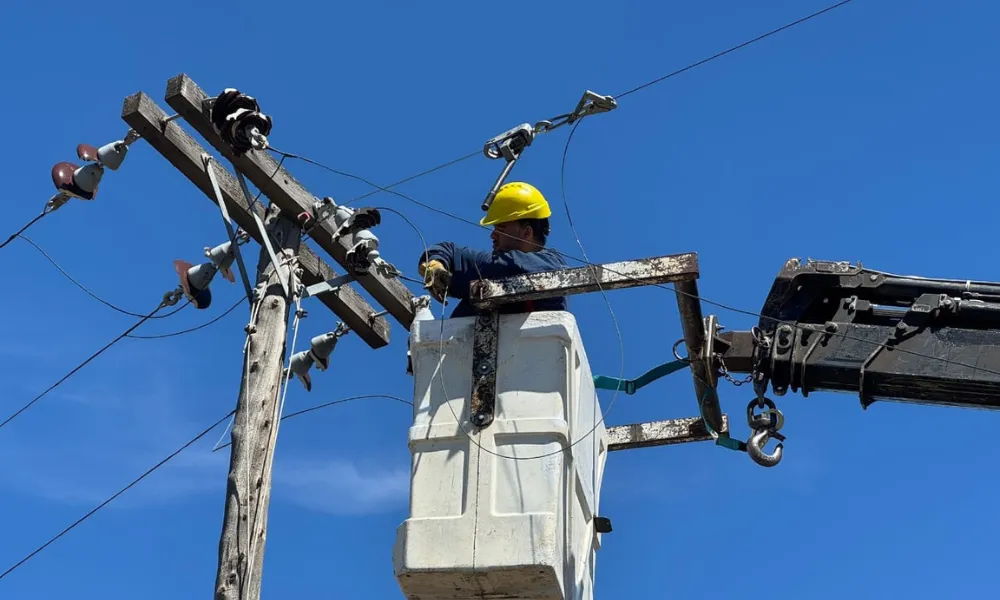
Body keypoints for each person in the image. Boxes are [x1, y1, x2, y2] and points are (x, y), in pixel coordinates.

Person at [418, 181, 568, 318]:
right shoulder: (492, 263)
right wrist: (435, 265)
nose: (492, 235)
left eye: (500, 229)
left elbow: (504, 267)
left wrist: (455, 282)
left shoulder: (552, 264)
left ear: (526, 233)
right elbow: (447, 250)